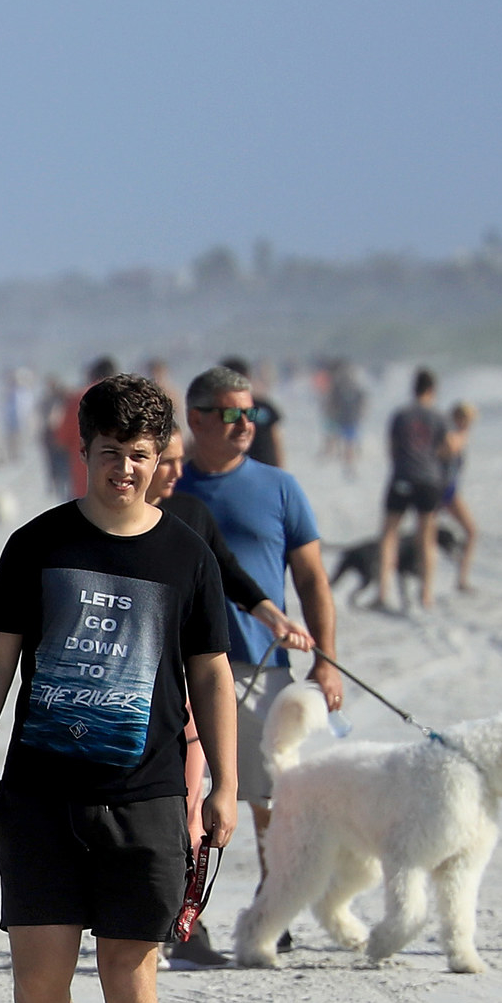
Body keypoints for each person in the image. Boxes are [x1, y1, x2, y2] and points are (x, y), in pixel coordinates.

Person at [0, 375, 238, 1003]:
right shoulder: (37, 545)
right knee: (38, 978)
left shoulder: (185, 553)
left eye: (141, 457)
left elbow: (210, 673)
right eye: (111, 454)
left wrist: (220, 784)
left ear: (160, 459)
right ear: (86, 452)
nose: (125, 471)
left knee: (128, 970)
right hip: (39, 792)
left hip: (145, 794)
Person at [174, 364, 341, 863]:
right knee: (183, 795)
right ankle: (186, 915)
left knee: (269, 797)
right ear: (197, 419)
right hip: (179, 668)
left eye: (253, 414)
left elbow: (311, 578)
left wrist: (327, 660)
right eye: (231, 414)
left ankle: (274, 909)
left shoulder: (280, 487)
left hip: (261, 662)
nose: (246, 425)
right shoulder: (165, 484)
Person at [373, 369, 451, 612]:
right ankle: (426, 594)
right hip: (428, 480)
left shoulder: (401, 415)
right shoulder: (438, 416)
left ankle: (383, 592)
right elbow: (447, 448)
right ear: (432, 390)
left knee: (389, 535)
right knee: (426, 538)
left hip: (402, 477)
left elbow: (392, 448)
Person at [442, 401, 480, 593]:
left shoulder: (452, 431)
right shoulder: (450, 432)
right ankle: (461, 580)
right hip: (443, 490)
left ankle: (461, 578)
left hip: (449, 489)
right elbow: (450, 449)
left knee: (471, 532)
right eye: (469, 420)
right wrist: (464, 434)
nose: (470, 424)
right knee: (471, 531)